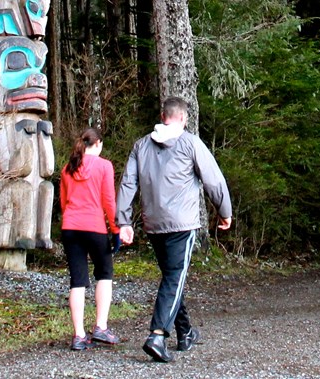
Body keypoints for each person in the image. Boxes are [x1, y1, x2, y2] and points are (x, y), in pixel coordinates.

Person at [117, 97, 233, 362]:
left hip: (154, 224)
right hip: (182, 224)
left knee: (172, 277)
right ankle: (157, 335)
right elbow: (213, 179)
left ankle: (186, 332)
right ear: (184, 118)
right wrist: (224, 211)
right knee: (174, 278)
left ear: (163, 115)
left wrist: (123, 221)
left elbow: (127, 184)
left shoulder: (141, 146)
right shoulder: (190, 142)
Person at [59, 128, 122, 350]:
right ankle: (100, 327)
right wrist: (116, 229)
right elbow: (108, 201)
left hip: (71, 227)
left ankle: (78, 336)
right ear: (98, 144)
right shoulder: (104, 166)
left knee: (77, 280)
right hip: (94, 227)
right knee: (104, 273)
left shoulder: (68, 168)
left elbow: (64, 201)